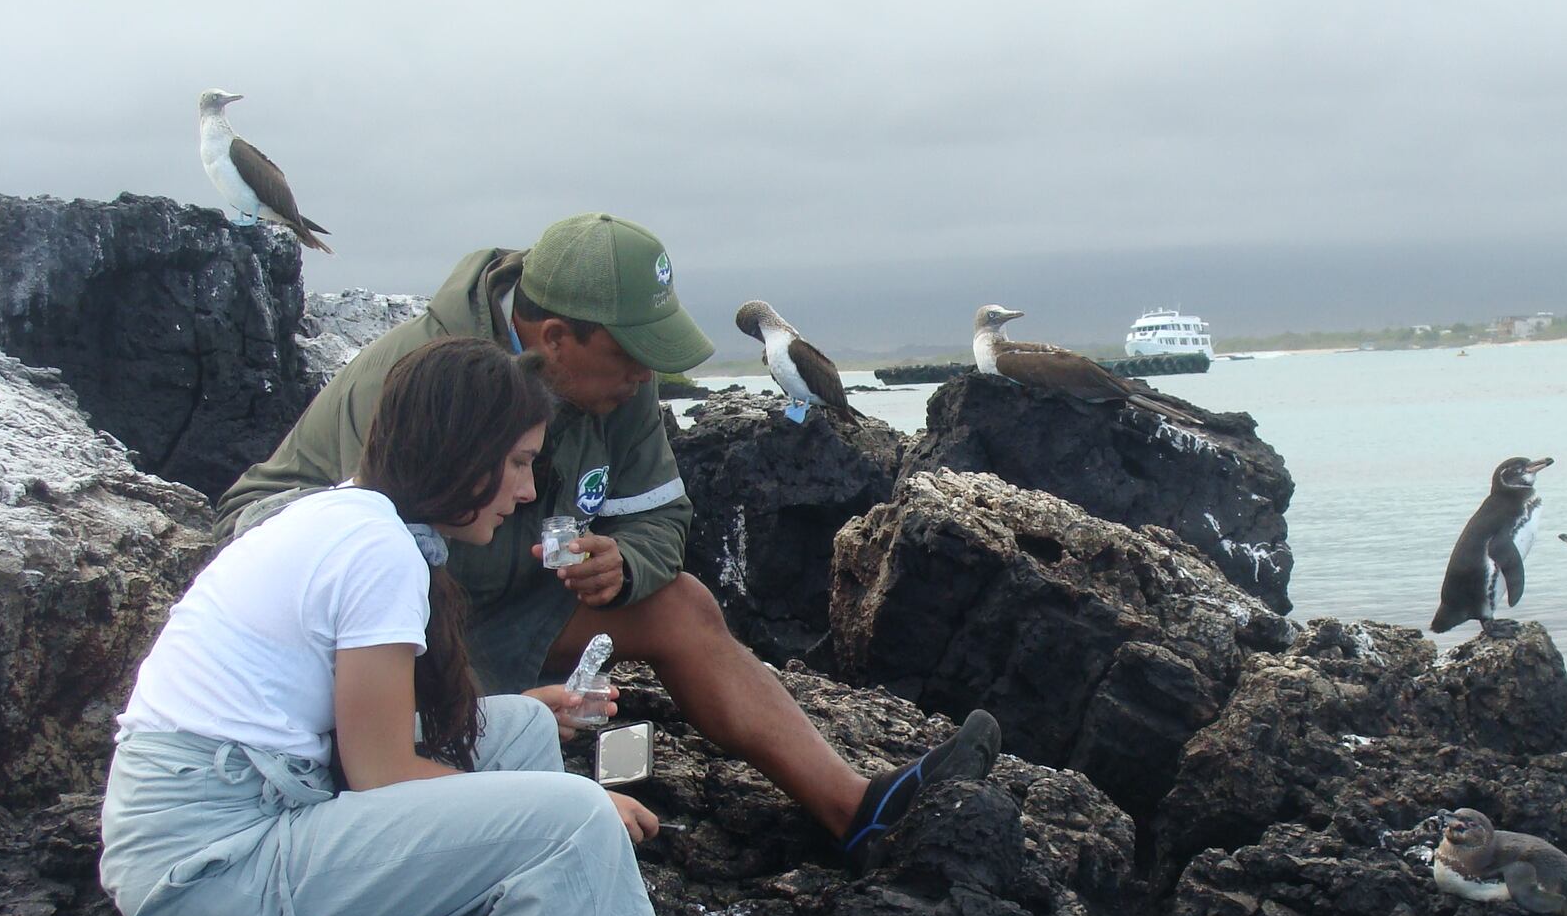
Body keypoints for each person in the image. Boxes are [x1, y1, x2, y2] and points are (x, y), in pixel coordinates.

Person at [216, 212, 997, 864]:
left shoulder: (618, 379)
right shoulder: (428, 381)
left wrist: (628, 562)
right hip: (371, 619)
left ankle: (858, 808)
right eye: (630, 356)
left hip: (489, 600)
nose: (642, 378)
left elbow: (662, 513)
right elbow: (352, 555)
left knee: (682, 605)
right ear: (555, 337)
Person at [102, 338, 671, 916]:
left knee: (514, 726)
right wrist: (576, 803)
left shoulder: (356, 519)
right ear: (464, 454)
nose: (527, 492)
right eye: (519, 464)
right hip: (208, 856)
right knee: (569, 823)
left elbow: (375, 736)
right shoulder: (379, 556)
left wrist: (528, 743)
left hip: (234, 804)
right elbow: (378, 772)